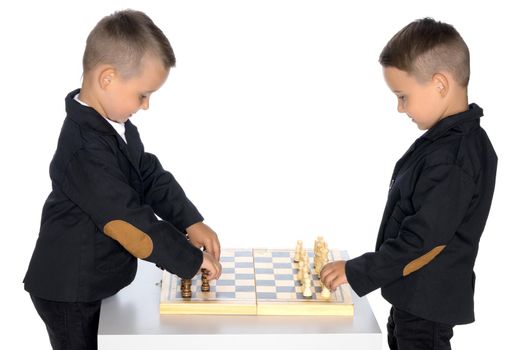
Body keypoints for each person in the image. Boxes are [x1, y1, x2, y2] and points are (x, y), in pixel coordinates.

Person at [23, 9, 222, 350]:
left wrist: (190, 220)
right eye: (143, 94)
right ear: (107, 79)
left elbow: (148, 174)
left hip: (96, 276)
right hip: (68, 288)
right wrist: (188, 260)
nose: (145, 106)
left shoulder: (114, 126)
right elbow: (127, 221)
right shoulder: (84, 148)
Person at [321, 18, 497, 350]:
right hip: (414, 296)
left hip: (426, 304)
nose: (400, 108)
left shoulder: (453, 157)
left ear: (440, 85)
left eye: (403, 96)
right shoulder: (449, 142)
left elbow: (423, 241)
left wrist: (357, 271)